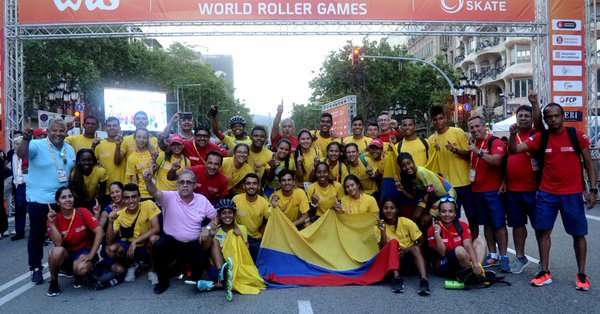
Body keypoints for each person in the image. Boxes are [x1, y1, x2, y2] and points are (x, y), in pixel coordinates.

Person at [509, 102, 597, 290]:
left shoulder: (576, 135)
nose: (553, 119)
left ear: (562, 116)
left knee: (578, 234)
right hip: (547, 193)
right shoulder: (541, 137)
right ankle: (544, 271)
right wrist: (511, 135)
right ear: (545, 119)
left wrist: (593, 189)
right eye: (549, 117)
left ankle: (582, 274)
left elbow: (589, 162)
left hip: (572, 193)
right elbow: (514, 150)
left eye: (556, 115)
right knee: (543, 232)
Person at [17, 119, 76, 284]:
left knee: (66, 235)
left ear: (66, 132)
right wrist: (26, 139)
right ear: (48, 131)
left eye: (61, 131)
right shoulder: (36, 144)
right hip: (39, 200)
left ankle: (64, 265)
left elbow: (71, 172)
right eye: (54, 130)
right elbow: (21, 154)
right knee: (37, 236)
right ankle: (35, 268)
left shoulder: (69, 149)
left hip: (62, 201)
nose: (58, 134)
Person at [145, 169, 217, 294]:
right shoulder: (168, 197)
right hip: (171, 242)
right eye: (182, 182)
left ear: (195, 185)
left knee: (196, 276)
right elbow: (154, 192)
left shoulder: (202, 200)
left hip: (193, 243)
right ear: (177, 184)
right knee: (159, 245)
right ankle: (163, 281)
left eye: (189, 182)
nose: (185, 185)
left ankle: (187, 269)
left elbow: (216, 217)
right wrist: (148, 181)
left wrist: (208, 228)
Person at [467, 116, 510, 272]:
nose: (475, 130)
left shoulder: (495, 142)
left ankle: (504, 257)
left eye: (477, 126)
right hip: (477, 190)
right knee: (487, 225)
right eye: (472, 127)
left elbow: (496, 161)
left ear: (485, 126)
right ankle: (493, 255)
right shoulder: (473, 145)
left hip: (493, 191)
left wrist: (477, 152)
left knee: (499, 225)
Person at [46, 187, 104, 297]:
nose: (68, 199)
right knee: (56, 252)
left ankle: (80, 274)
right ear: (58, 202)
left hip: (82, 252)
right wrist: (51, 224)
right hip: (66, 255)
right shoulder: (54, 219)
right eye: (63, 197)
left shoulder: (82, 212)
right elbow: (58, 243)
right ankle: (54, 282)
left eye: (70, 196)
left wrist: (91, 254)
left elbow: (100, 231)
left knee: (81, 269)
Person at [427, 106, 475, 237]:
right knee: (451, 220)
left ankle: (474, 242)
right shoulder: (431, 140)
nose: (438, 122)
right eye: (435, 119)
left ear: (446, 118)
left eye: (441, 118)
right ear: (432, 121)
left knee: (473, 218)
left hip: (465, 183)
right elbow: (432, 165)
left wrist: (455, 150)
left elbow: (469, 155)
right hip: (448, 188)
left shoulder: (458, 132)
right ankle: (455, 246)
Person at [505, 105, 538, 274]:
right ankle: (520, 257)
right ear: (516, 118)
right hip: (513, 190)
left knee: (540, 227)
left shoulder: (537, 135)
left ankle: (543, 260)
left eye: (527, 115)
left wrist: (535, 104)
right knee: (517, 226)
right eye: (521, 115)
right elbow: (508, 157)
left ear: (532, 118)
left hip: (534, 190)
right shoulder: (511, 136)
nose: (523, 118)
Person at [106, 183, 161, 283]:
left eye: (134, 197)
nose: (131, 201)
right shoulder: (119, 215)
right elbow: (109, 241)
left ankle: (152, 271)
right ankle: (132, 265)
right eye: (127, 198)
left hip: (145, 244)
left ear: (139, 197)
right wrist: (110, 222)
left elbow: (156, 228)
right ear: (123, 199)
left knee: (154, 239)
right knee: (111, 249)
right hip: (131, 250)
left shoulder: (148, 204)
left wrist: (135, 242)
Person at [378, 199, 429, 296]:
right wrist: (383, 231)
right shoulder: (379, 225)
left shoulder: (406, 222)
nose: (389, 210)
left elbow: (421, 239)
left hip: (408, 256)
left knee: (416, 248)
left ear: (397, 210)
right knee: (393, 243)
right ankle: (397, 279)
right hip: (391, 260)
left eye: (392, 208)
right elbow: (382, 249)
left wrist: (406, 250)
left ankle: (424, 280)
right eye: (386, 208)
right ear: (382, 210)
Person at [427, 196, 486, 279]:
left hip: (463, 260)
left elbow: (468, 245)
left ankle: (477, 269)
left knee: (479, 241)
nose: (447, 214)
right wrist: (437, 233)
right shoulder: (432, 229)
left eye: (450, 211)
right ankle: (474, 274)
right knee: (459, 250)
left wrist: (476, 263)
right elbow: (442, 252)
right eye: (443, 211)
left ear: (455, 214)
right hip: (444, 264)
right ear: (439, 213)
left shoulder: (462, 225)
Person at [396, 152, 455, 231]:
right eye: (403, 166)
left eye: (409, 163)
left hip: (446, 195)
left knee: (425, 220)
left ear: (413, 162)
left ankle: (429, 240)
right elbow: (414, 196)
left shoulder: (421, 172)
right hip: (430, 196)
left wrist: (427, 211)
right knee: (415, 217)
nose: (407, 167)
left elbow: (431, 193)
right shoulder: (411, 176)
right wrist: (403, 190)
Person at [233, 173, 271, 260]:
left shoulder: (264, 203)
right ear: (244, 186)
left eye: (254, 183)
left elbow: (270, 221)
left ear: (258, 186)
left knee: (258, 262)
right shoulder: (236, 199)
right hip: (238, 236)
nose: (251, 186)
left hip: (255, 239)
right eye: (248, 183)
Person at [95, 117, 127, 197]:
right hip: (105, 189)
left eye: (114, 125)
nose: (111, 127)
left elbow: (117, 162)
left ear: (119, 128)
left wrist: (118, 145)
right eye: (109, 126)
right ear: (105, 128)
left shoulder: (125, 143)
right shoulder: (99, 145)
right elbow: (93, 164)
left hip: (121, 188)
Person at [125, 128, 156, 200]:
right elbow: (133, 180)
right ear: (134, 138)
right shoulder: (132, 157)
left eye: (144, 137)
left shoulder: (153, 153)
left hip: (156, 192)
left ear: (148, 139)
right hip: (142, 194)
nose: (141, 140)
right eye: (139, 137)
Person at [10, 133, 27, 240]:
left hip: (27, 184)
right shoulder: (13, 155)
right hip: (17, 185)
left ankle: (39, 233)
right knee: (19, 209)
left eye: (19, 144)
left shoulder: (29, 154)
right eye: (15, 143)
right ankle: (19, 232)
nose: (16, 145)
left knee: (32, 209)